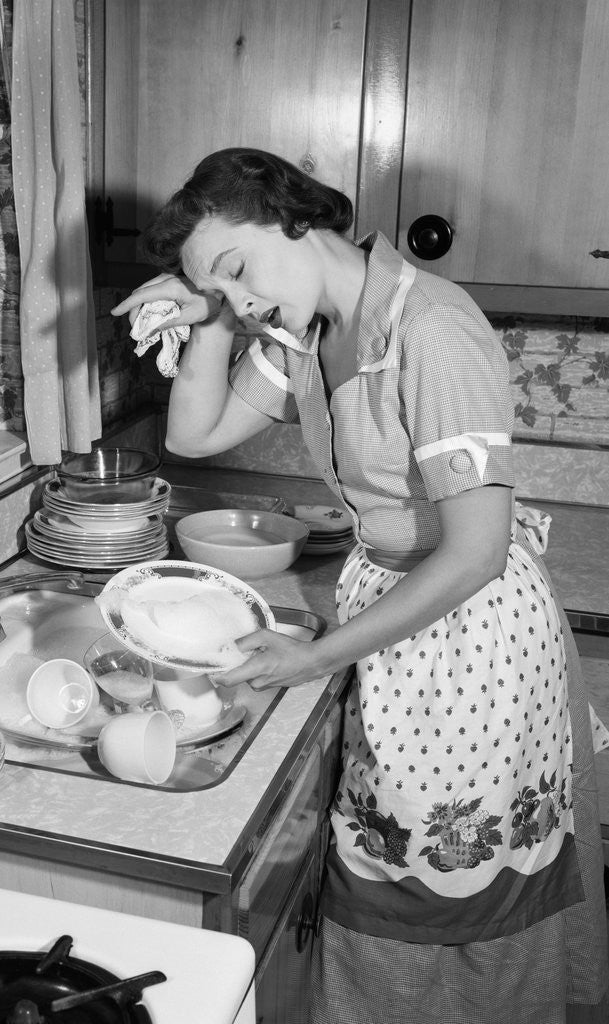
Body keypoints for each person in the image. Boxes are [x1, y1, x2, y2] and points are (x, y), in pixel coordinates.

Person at [111, 148, 608, 1023]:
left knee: (453, 885)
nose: (242, 299)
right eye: (220, 287)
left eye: (237, 267)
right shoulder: (311, 331)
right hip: (393, 624)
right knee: (385, 870)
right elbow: (194, 435)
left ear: (293, 217)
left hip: (470, 642)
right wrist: (214, 316)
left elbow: (475, 554)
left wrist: (315, 658)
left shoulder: (428, 328)